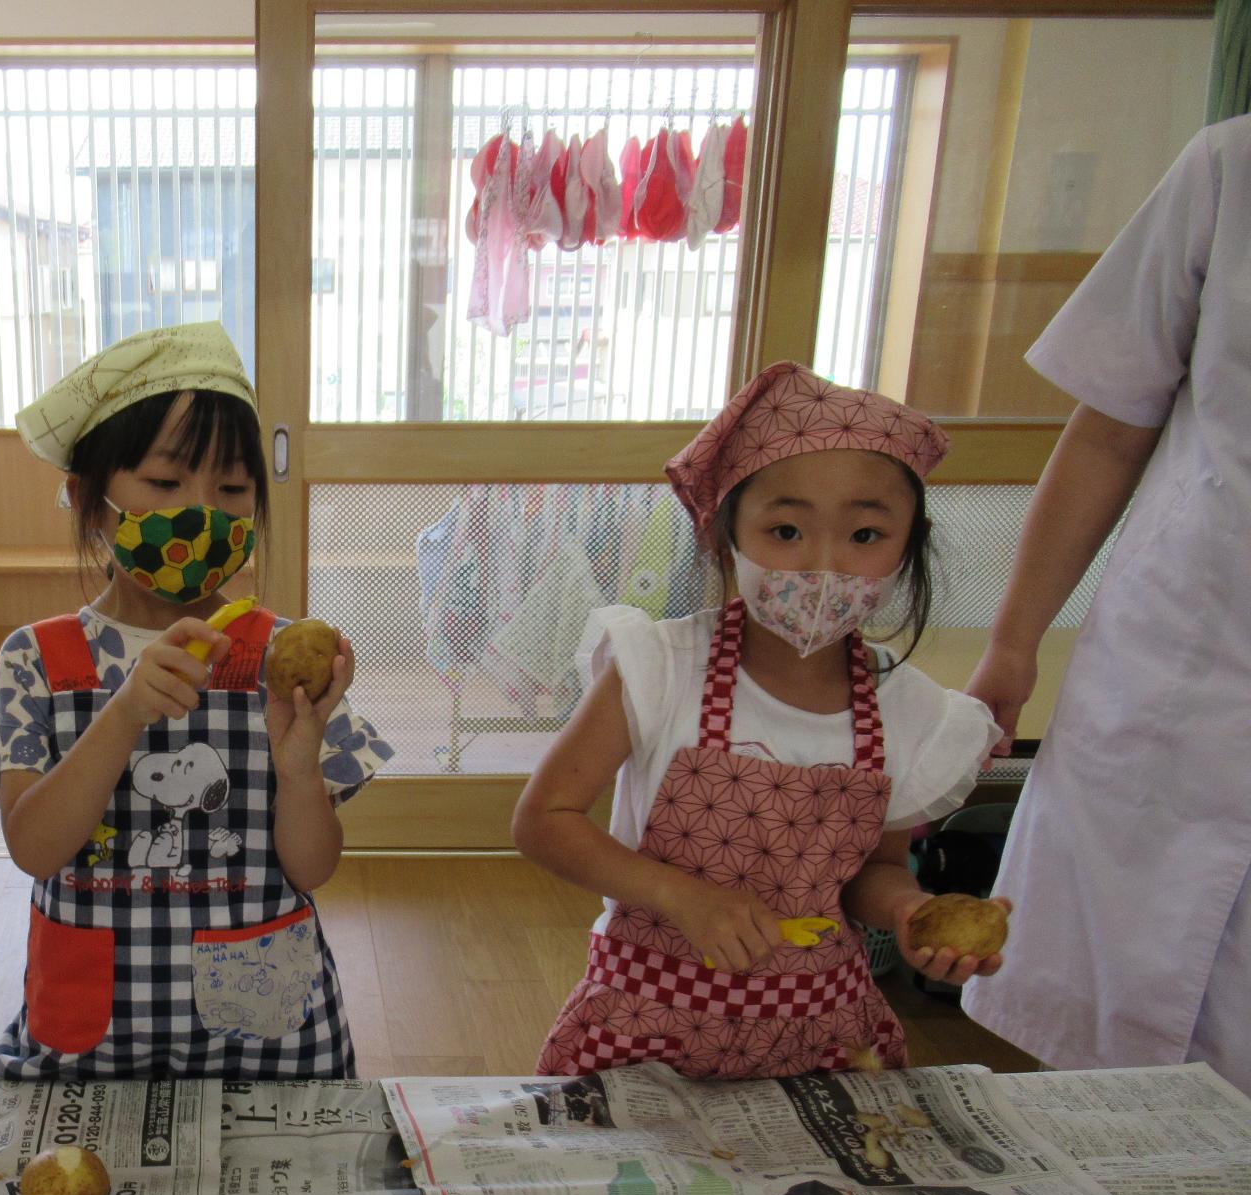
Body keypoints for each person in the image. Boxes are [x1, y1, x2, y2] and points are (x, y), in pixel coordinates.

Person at [518, 361, 1004, 1080]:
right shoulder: (660, 667)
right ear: (725, 538)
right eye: (785, 530)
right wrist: (681, 896)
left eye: (866, 536)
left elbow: (872, 872)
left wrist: (907, 911)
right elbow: (543, 819)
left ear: (908, 547)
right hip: (646, 1026)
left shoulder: (911, 710)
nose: (824, 566)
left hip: (819, 1035)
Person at [0, 322, 391, 1078]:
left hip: (269, 1046)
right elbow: (34, 848)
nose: (203, 511)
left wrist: (297, 769)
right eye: (165, 485)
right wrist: (122, 712)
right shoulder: (40, 657)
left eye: (230, 488)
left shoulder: (280, 656)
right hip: (91, 1040)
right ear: (89, 502)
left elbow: (313, 869)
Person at [961, 117, 1251, 1093]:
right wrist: (1011, 643)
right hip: (1181, 655)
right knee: (1105, 1030)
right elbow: (1104, 431)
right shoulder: (1227, 167)